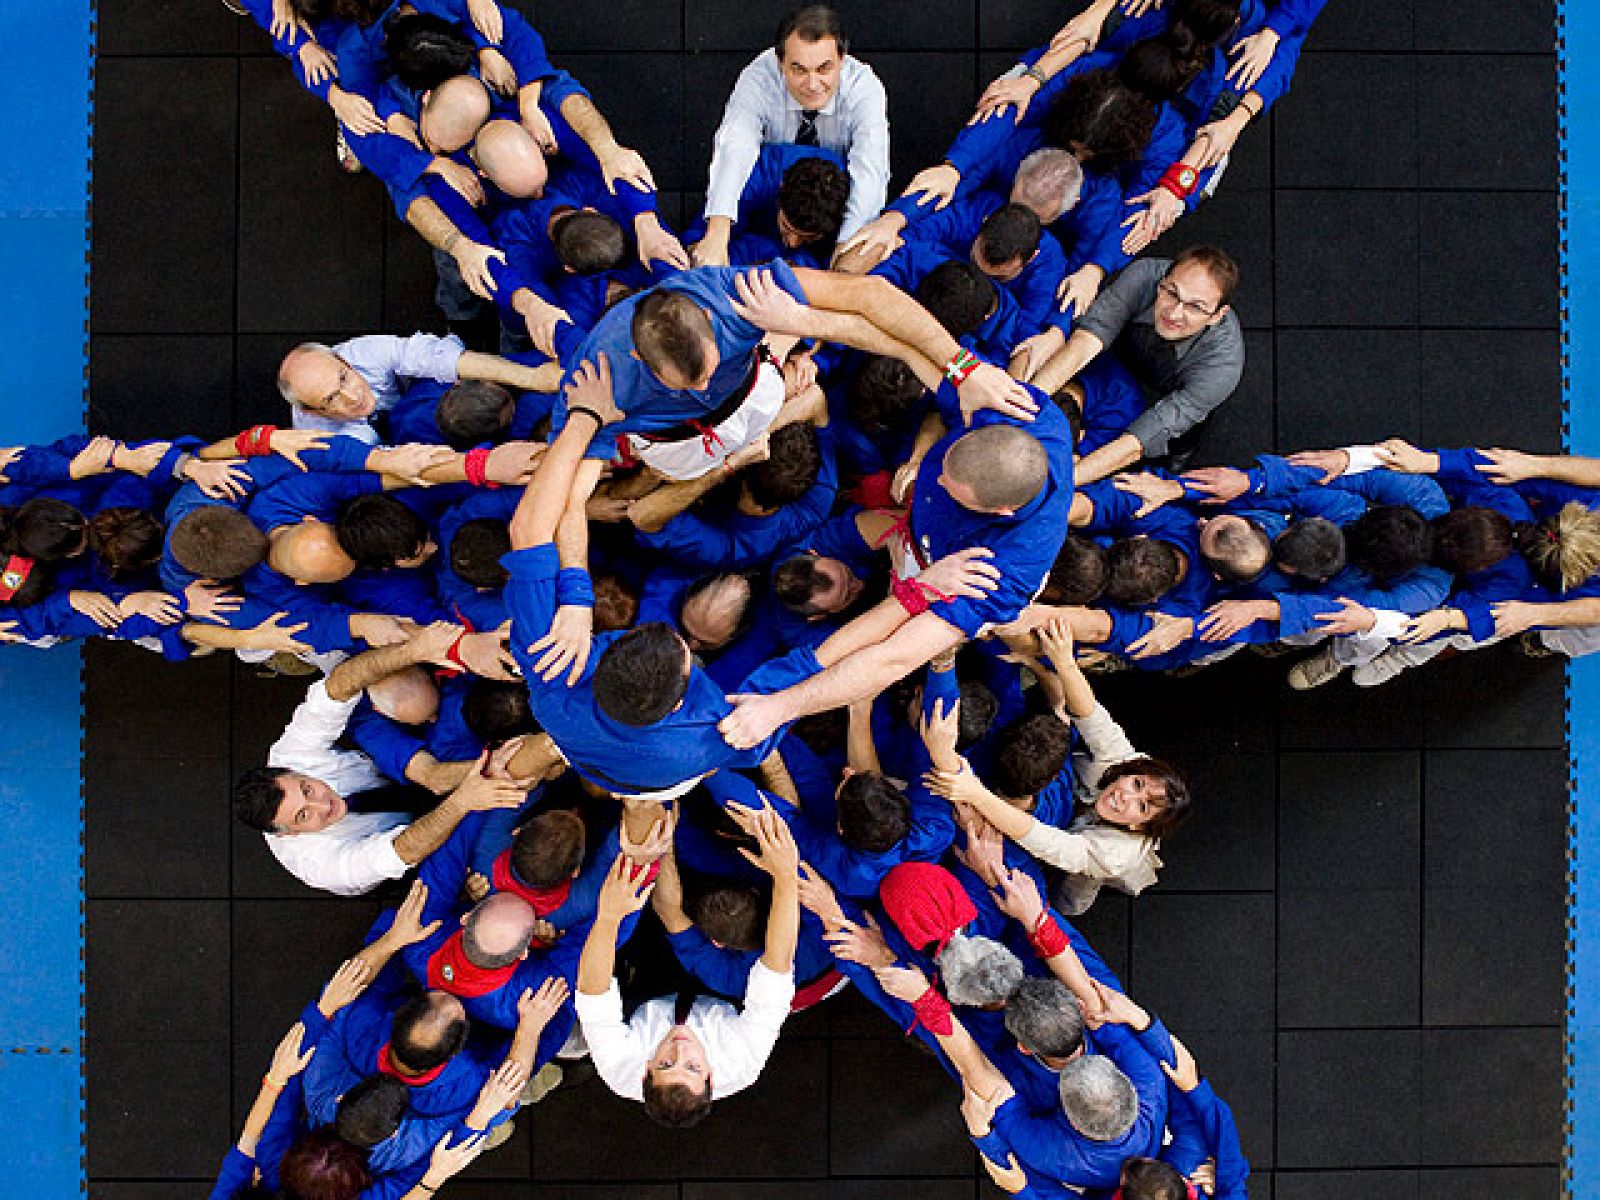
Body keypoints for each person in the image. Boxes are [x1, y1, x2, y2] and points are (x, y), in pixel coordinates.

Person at [231, 626, 531, 894]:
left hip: (388, 767)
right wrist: (463, 799)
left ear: (292, 771)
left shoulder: (291, 754)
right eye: (303, 816)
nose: (323, 804)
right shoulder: (320, 864)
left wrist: (415, 649)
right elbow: (405, 851)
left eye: (307, 789)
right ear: (290, 833)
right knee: (458, 868)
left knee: (444, 723)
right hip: (404, 844)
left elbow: (337, 685)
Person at [572, 803, 802, 1126]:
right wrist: (786, 873)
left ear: (646, 1071)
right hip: (721, 988)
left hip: (647, 984)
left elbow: (592, 991)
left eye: (665, 1064)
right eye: (692, 1066)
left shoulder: (618, 1068)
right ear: (711, 1075)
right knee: (717, 920)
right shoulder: (743, 1061)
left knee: (624, 916)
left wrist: (609, 914)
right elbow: (778, 964)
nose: (679, 1051)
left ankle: (641, 815)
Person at [1016, 247, 1244, 484]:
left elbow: (1140, 440)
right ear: (1162, 281)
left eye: (1195, 307)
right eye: (1171, 293)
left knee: (1178, 433)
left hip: (1178, 387)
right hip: (1125, 353)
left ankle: (1178, 455)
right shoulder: (1144, 275)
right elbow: (1085, 342)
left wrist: (1061, 483)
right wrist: (1025, 403)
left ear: (1217, 315)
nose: (1175, 313)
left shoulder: (1223, 366)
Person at [696, 5, 889, 261]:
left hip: (831, 220)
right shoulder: (758, 78)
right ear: (780, 63)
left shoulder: (864, 87)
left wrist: (844, 251)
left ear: (842, 60)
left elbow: (870, 171)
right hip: (768, 208)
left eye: (824, 69)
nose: (812, 84)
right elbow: (735, 145)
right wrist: (717, 234)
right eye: (799, 69)